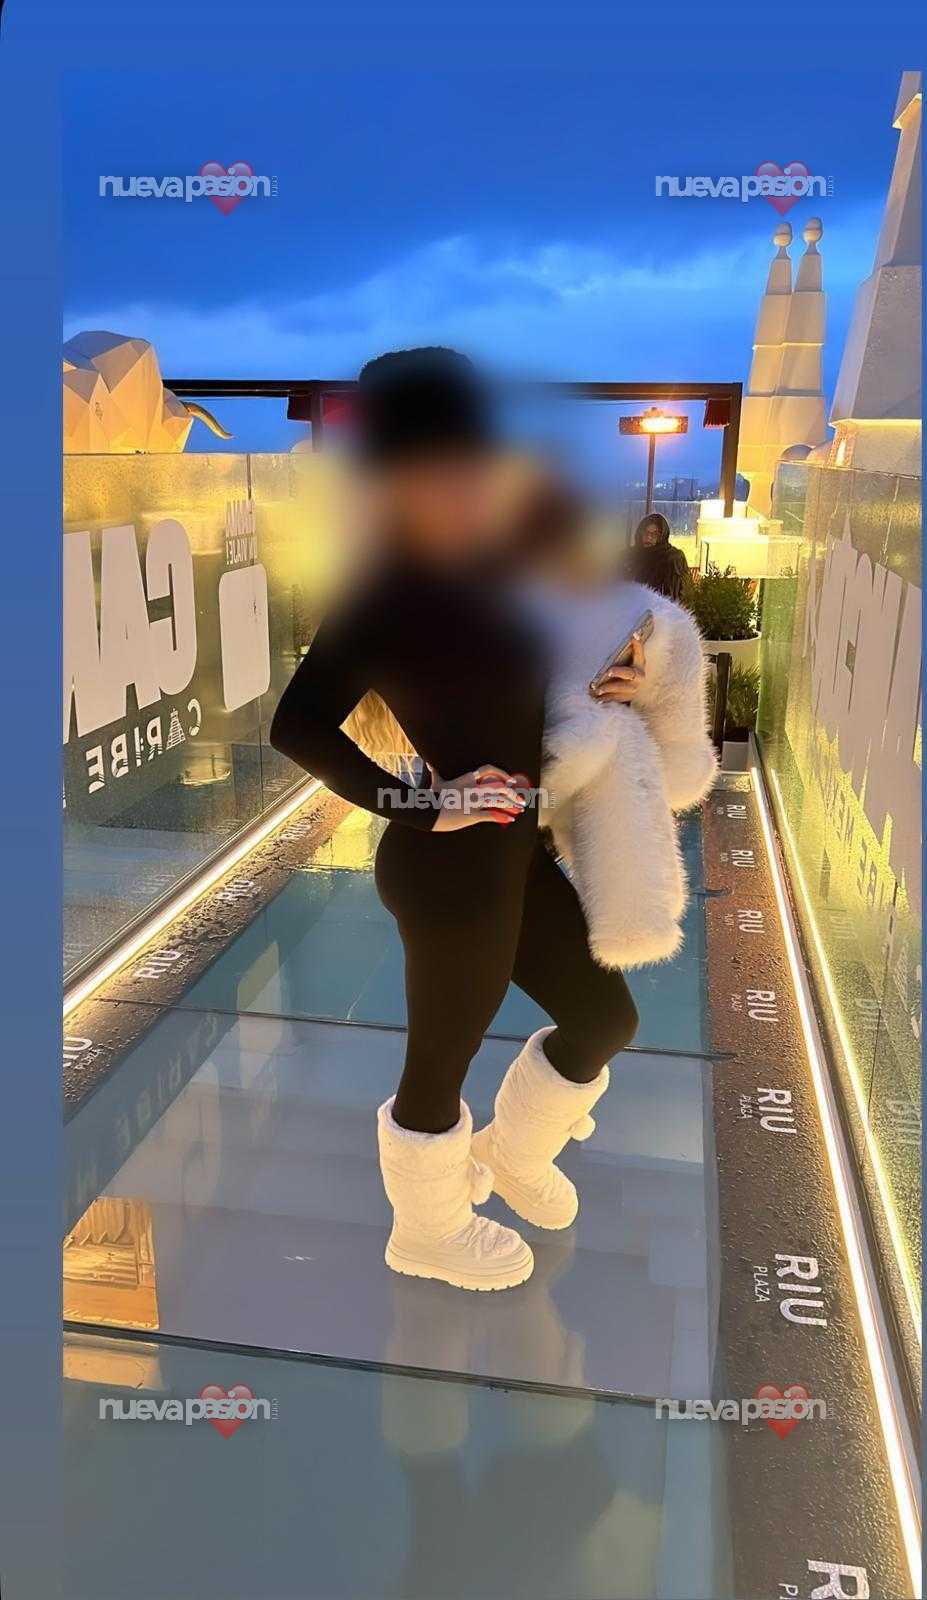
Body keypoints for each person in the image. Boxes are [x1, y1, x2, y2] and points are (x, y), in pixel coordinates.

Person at [269, 348, 638, 1293]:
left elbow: (558, 674)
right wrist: (423, 803)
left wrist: (617, 680)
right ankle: (426, 1230)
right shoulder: (381, 598)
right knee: (440, 1063)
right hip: (449, 874)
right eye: (435, 470)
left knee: (604, 1017)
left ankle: (512, 1153)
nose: (461, 487)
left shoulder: (504, 570)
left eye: (470, 464)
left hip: (518, 855)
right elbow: (294, 726)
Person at [628, 511, 690, 602]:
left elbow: (681, 593)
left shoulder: (673, 558)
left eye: (654, 534)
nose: (648, 537)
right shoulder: (629, 555)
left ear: (662, 536)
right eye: (645, 532)